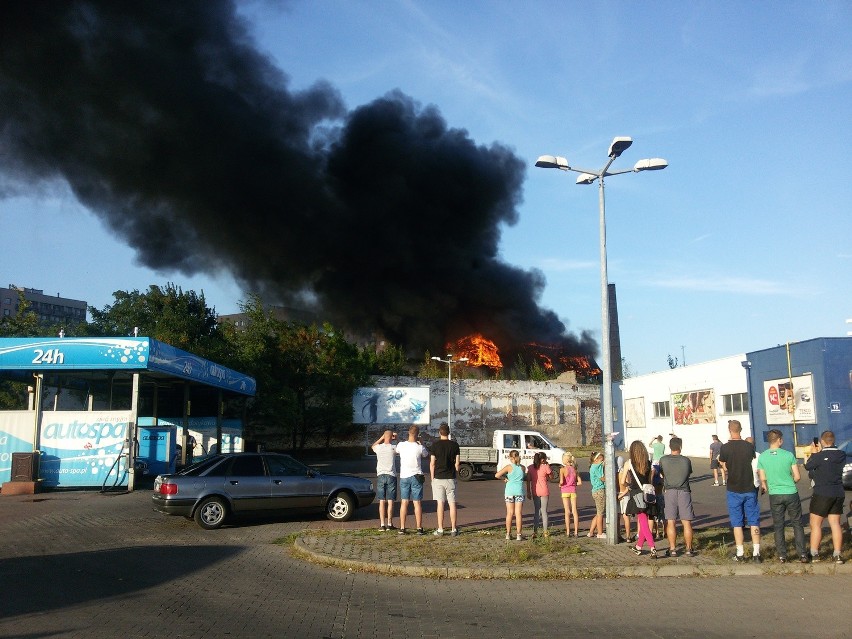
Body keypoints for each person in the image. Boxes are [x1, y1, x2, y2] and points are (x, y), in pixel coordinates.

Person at [757, 429, 806, 563]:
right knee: (797, 523)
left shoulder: (763, 457)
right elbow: (797, 477)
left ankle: (782, 555)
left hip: (775, 494)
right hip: (790, 492)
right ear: (779, 440)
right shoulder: (789, 455)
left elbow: (763, 479)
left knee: (778, 525)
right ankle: (802, 554)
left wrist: (769, 484)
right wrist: (789, 481)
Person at [718, 419, 762, 562]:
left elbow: (725, 466)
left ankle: (740, 552)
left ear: (730, 430)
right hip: (749, 487)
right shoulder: (749, 447)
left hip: (734, 488)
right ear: (741, 430)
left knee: (737, 523)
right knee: (754, 520)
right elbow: (753, 462)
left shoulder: (725, 448)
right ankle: (756, 553)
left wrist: (724, 466)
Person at [804, 430, 846, 564]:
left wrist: (812, 453)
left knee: (815, 524)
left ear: (822, 441)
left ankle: (814, 553)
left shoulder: (818, 456)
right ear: (833, 440)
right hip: (838, 492)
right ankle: (837, 554)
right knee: (835, 523)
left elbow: (807, 466)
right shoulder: (841, 455)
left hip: (822, 492)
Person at [658, 437, 695, 557]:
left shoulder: (663, 460)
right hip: (684, 490)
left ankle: (673, 549)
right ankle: (689, 548)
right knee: (686, 522)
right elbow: (688, 473)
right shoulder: (686, 460)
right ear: (680, 446)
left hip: (669, 491)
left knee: (671, 521)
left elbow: (662, 474)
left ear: (669, 447)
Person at [622, 440, 658, 558]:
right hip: (648, 493)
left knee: (643, 521)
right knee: (644, 521)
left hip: (636, 494)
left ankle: (652, 547)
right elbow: (650, 480)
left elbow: (623, 481)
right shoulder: (648, 462)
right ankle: (638, 547)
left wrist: (629, 486)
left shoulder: (629, 463)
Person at [395, 424, 429, 535]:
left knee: (404, 502)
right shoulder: (419, 447)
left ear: (408, 433)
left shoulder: (401, 445)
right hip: (416, 476)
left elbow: (398, 449)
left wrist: (399, 439)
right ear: (418, 435)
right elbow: (426, 454)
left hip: (404, 476)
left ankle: (402, 527)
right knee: (417, 503)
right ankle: (419, 528)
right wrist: (422, 442)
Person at [429, 422, 461, 537]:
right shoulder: (455, 445)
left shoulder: (435, 445)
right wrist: (455, 469)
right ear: (449, 433)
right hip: (450, 478)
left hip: (438, 477)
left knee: (440, 504)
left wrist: (432, 478)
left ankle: (440, 529)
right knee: (452, 503)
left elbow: (432, 463)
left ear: (439, 433)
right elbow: (457, 464)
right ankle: (453, 529)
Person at [496, 449, 526, 540]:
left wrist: (504, 478)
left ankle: (508, 534)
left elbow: (497, 475)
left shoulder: (509, 467)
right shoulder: (523, 467)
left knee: (509, 513)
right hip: (519, 491)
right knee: (518, 513)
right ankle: (519, 534)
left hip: (509, 491)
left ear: (510, 457)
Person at [371, 429, 397, 531]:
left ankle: (382, 524)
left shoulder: (379, 447)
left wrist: (382, 437)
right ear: (391, 437)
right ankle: (390, 523)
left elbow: (373, 445)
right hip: (391, 475)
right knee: (390, 501)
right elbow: (401, 448)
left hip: (381, 475)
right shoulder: (394, 448)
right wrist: (396, 439)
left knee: (382, 501)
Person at [526, 452, 552, 538]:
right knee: (544, 511)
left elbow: (528, 480)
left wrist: (528, 491)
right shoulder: (545, 467)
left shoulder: (530, 468)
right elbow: (551, 477)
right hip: (544, 490)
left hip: (535, 491)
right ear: (542, 459)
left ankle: (535, 531)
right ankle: (545, 532)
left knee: (537, 511)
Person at [559, 451, 581, 537]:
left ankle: (568, 531)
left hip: (565, 491)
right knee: (574, 511)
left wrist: (561, 484)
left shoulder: (562, 469)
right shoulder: (575, 470)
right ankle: (576, 531)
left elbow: (561, 481)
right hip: (573, 490)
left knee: (567, 511)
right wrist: (573, 484)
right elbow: (580, 482)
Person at [587, 451, 606, 538]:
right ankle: (600, 533)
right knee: (600, 514)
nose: (603, 461)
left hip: (595, 490)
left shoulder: (592, 467)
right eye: (602, 460)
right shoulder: (597, 467)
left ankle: (591, 532)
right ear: (597, 459)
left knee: (599, 512)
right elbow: (602, 478)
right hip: (600, 490)